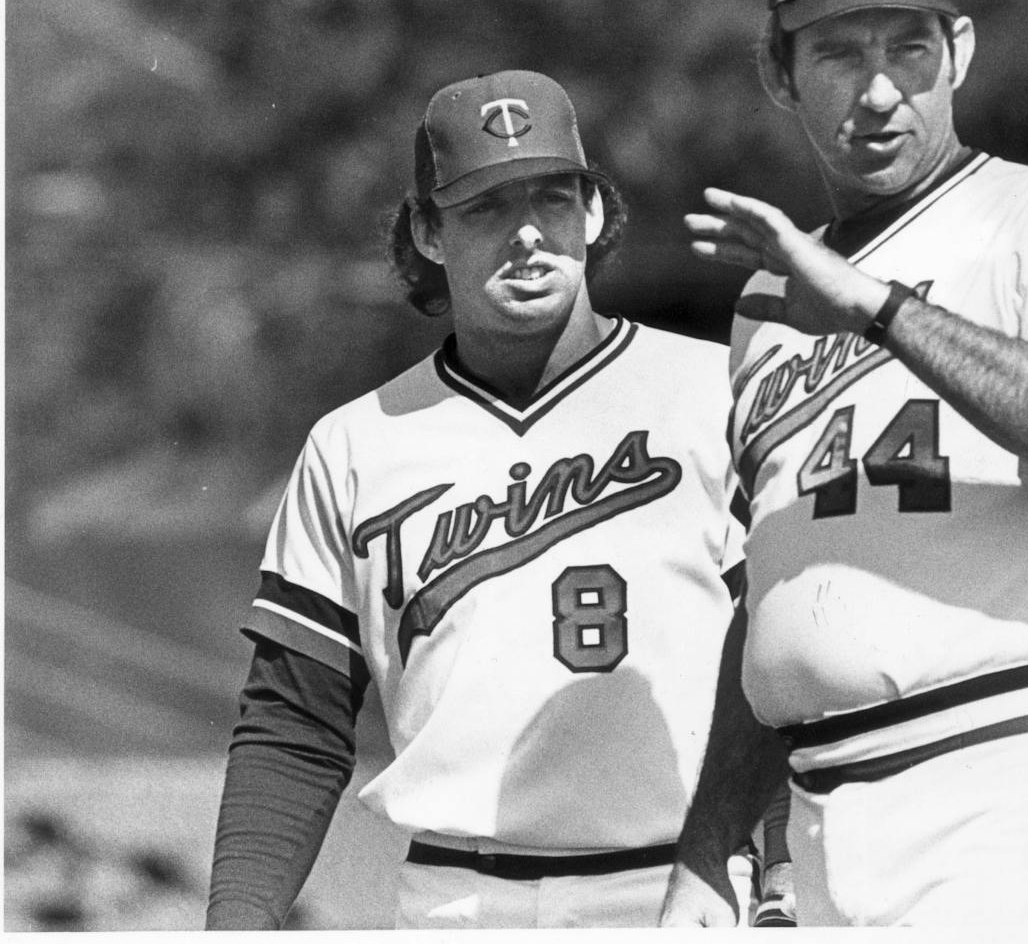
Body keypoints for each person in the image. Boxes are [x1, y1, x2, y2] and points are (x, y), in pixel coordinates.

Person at [659, 0, 1028, 928]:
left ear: (960, 51)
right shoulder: (771, 301)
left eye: (908, 47)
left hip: (1013, 775)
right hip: (823, 811)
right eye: (837, 53)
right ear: (778, 71)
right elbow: (777, 597)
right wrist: (709, 846)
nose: (878, 91)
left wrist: (879, 310)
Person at [205, 70, 763, 930]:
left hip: (680, 888)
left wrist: (782, 862)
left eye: (552, 197)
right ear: (427, 231)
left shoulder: (720, 390)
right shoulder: (359, 443)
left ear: (596, 213)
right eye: (487, 207)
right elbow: (294, 720)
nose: (529, 234)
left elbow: (787, 657)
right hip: (454, 899)